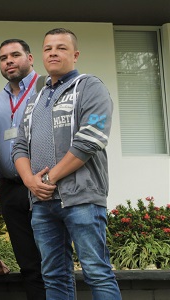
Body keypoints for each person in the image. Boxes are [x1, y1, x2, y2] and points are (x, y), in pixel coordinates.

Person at [12, 28, 121, 299]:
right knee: (53, 277)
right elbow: (18, 145)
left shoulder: (90, 87)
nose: (53, 52)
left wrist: (49, 179)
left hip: (81, 199)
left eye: (61, 48)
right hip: (42, 203)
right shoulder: (35, 99)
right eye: (48, 48)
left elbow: (90, 139)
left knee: (97, 271)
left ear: (75, 54)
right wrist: (30, 182)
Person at [0, 39, 46, 300]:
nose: (9, 61)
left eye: (15, 55)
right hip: (10, 189)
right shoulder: (0, 100)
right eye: (4, 58)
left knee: (52, 258)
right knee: (27, 262)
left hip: (43, 186)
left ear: (30, 58)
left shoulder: (46, 88)